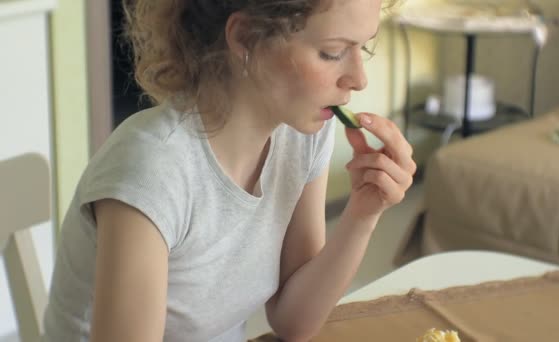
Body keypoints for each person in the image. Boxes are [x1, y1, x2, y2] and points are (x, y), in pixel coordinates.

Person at [43, 0, 416, 341]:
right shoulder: (153, 171)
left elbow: (293, 321)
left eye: (363, 47)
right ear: (244, 37)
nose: (358, 78)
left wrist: (363, 213)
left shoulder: (302, 134)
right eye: (332, 52)